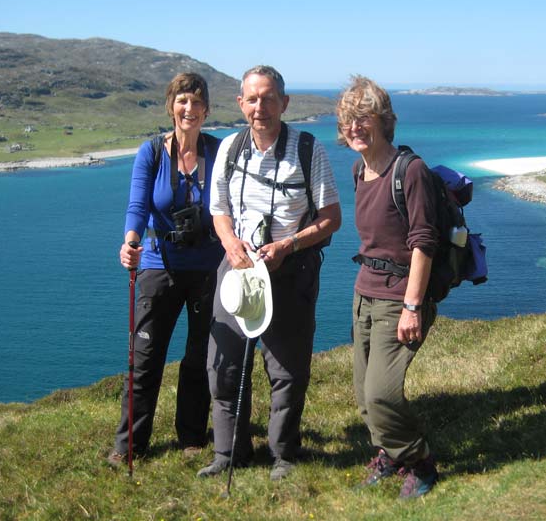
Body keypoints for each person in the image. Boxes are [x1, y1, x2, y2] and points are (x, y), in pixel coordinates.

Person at [199, 65, 341, 481]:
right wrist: (230, 245)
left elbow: (331, 218)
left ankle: (284, 455)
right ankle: (229, 453)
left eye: (268, 98)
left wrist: (288, 245)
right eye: (252, 99)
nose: (260, 107)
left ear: (284, 103)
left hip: (290, 269)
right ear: (240, 103)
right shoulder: (230, 147)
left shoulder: (308, 150)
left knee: (286, 369)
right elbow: (219, 210)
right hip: (239, 266)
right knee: (223, 365)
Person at [108, 72, 224, 466]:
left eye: (196, 101)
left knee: (197, 358)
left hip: (209, 267)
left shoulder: (218, 150)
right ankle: (130, 444)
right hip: (160, 266)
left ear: (206, 110)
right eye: (181, 100)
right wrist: (130, 240)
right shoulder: (152, 152)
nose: (188, 108)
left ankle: (191, 436)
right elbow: (138, 206)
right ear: (170, 106)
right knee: (144, 357)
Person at [337, 75, 440, 498]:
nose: (355, 127)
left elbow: (424, 242)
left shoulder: (409, 170)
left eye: (363, 118)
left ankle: (421, 462)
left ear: (383, 120)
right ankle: (390, 455)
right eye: (348, 120)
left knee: (382, 393)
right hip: (365, 294)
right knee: (364, 395)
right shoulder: (359, 170)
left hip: (399, 299)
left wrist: (412, 306)